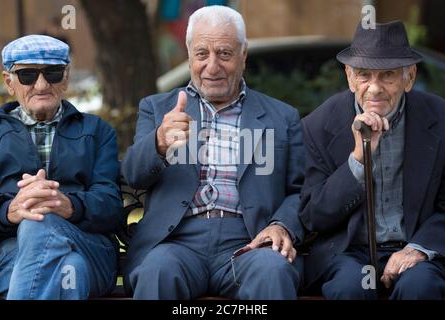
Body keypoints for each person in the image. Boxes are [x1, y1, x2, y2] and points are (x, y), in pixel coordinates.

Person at [122, 5, 305, 300]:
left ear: (243, 54)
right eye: (201, 54)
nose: (212, 66)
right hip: (177, 242)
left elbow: (300, 190)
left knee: (273, 270)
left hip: (249, 243)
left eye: (224, 53)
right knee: (157, 271)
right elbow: (133, 175)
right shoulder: (158, 109)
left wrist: (281, 224)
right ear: (189, 54)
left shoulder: (281, 117)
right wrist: (158, 143)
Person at [300, 20, 445, 299]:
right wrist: (358, 157)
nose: (375, 89)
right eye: (364, 75)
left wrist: (419, 248)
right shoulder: (317, 125)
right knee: (351, 288)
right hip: (349, 252)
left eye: (387, 75)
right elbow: (314, 215)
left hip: (414, 246)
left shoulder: (439, 118)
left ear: (410, 77)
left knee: (420, 287)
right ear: (349, 77)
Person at [0, 35, 123, 299]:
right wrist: (10, 211)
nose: (41, 85)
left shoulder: (97, 131)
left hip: (89, 248)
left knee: (38, 224)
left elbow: (110, 206)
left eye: (52, 73)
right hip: (10, 253)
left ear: (66, 77)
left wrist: (69, 206)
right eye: (27, 76)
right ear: (9, 82)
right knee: (68, 269)